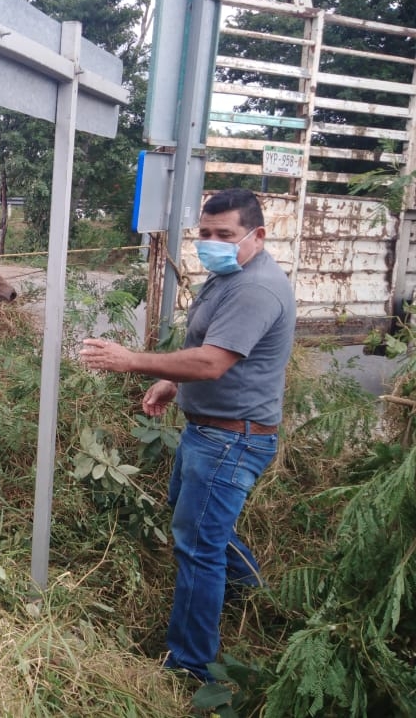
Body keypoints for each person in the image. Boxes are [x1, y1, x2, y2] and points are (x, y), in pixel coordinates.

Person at [78, 187, 296, 682]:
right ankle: (252, 592)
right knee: (199, 524)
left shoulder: (255, 289)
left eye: (226, 234)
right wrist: (171, 381)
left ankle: (190, 665)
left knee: (197, 546)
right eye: (206, 233)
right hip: (211, 433)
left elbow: (213, 362)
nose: (212, 243)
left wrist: (132, 360)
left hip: (231, 441)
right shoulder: (227, 275)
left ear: (257, 236)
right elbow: (205, 346)